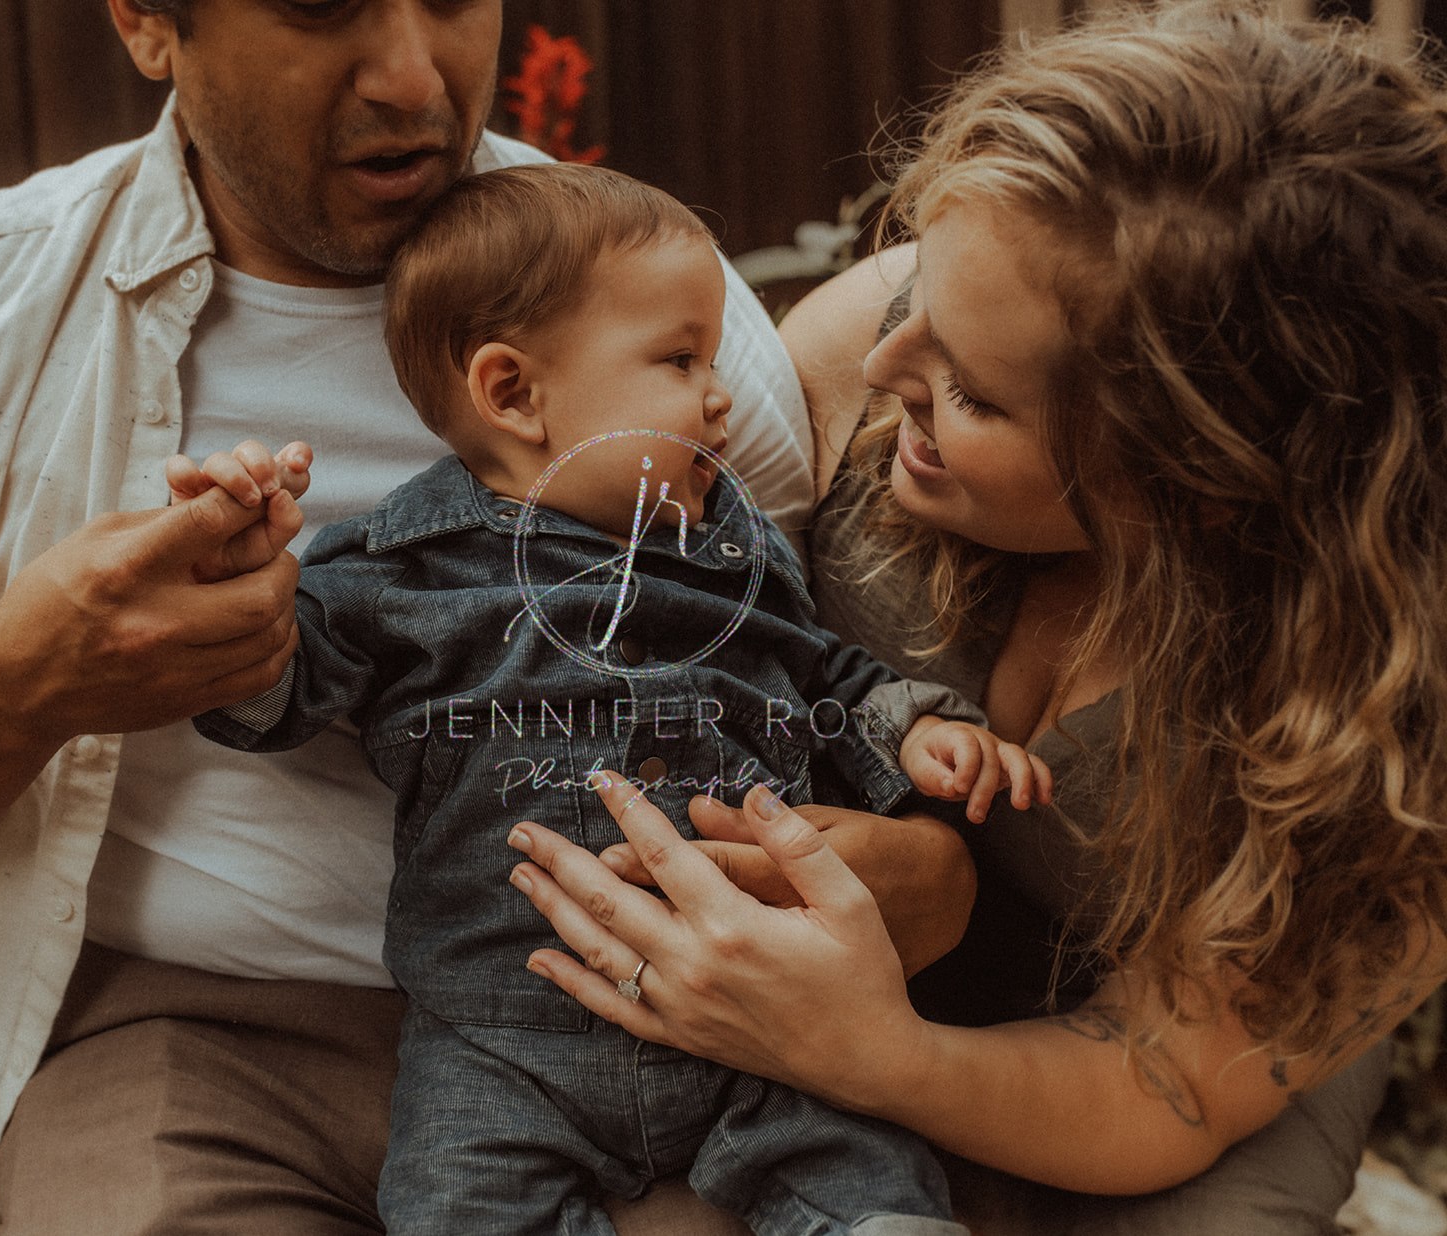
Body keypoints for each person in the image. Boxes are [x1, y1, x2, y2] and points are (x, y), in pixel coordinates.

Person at [0, 3, 980, 1232]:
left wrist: (926, 876)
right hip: (204, 1035)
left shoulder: (666, 311)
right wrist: (36, 673)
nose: (410, 77)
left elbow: (802, 670)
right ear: (146, 20)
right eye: (323, 6)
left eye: (451, 0)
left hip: (675, 1015)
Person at [506, 4, 1447, 1233]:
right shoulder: (902, 334)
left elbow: (1162, 1089)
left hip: (1176, 1054)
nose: (888, 373)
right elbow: (674, 643)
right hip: (848, 952)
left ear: (1198, 482)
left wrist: (878, 1055)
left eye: (971, 393)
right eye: (914, 300)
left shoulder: (1393, 687)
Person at [180, 161, 1055, 1235]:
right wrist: (240, 586)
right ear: (513, 394)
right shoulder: (402, 571)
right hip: (505, 1031)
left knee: (853, 1162)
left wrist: (916, 730)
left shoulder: (732, 548)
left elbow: (823, 673)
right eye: (680, 360)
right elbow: (275, 688)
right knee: (454, 1199)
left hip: (756, 1011)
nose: (721, 394)